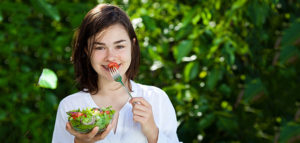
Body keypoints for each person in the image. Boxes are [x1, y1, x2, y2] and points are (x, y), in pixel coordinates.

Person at [52, 3, 180, 143]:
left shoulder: (156, 99)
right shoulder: (71, 107)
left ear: (132, 46)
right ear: (87, 51)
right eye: (100, 48)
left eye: (119, 46)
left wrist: (153, 133)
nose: (111, 57)